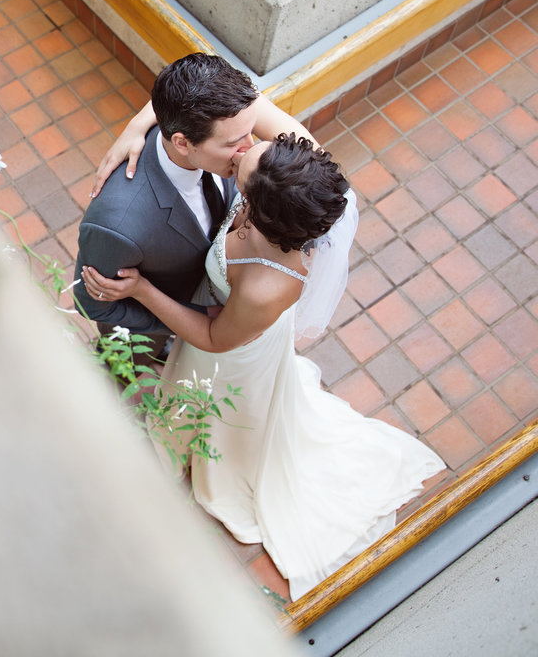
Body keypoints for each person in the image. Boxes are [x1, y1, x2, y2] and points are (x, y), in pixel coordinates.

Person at [82, 134, 444, 600]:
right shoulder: (287, 172)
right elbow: (245, 102)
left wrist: (141, 291)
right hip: (224, 322)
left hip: (233, 351)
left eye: (242, 165)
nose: (238, 152)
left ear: (261, 208)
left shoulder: (271, 285)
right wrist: (145, 122)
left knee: (224, 420)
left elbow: (214, 340)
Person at [72, 52, 313, 355]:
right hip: (152, 333)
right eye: (232, 144)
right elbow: (89, 301)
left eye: (250, 133)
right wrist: (183, 321)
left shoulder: (233, 133)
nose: (248, 153)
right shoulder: (117, 224)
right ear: (183, 143)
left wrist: (137, 123)